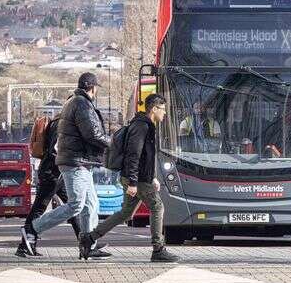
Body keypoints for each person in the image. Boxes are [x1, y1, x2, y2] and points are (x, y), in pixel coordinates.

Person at [20, 72, 111, 258]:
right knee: (75, 205)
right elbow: (92, 134)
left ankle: (88, 243)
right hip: (71, 163)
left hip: (77, 163)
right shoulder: (81, 104)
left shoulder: (72, 105)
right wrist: (114, 144)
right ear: (93, 88)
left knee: (90, 204)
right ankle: (33, 229)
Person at [79, 94, 179, 262]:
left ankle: (89, 238)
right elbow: (134, 156)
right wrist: (133, 182)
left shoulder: (145, 125)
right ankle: (158, 249)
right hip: (137, 180)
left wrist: (153, 176)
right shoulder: (142, 127)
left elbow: (147, 156)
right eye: (163, 109)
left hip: (139, 178)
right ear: (154, 109)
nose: (165, 113)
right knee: (157, 207)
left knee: (125, 213)